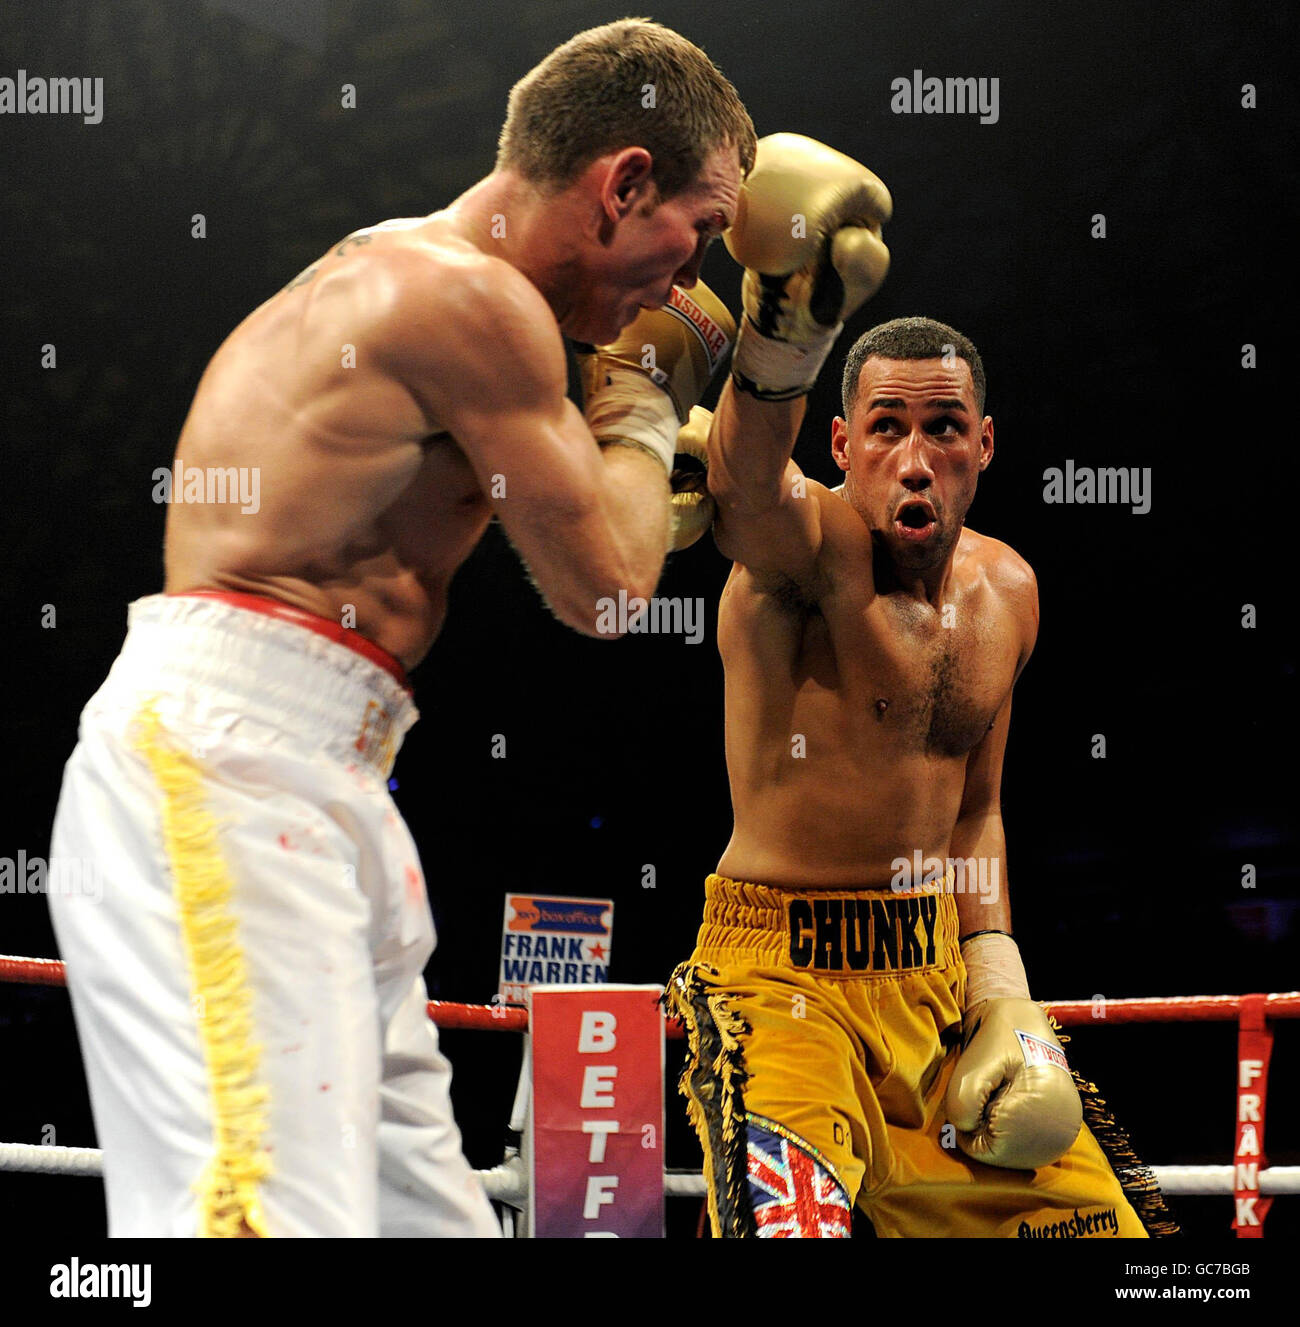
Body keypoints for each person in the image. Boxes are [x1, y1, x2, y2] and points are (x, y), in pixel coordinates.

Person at [47, 18, 754, 1237]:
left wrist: (643, 446)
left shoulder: (446, 291)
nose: (685, 285)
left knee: (426, 1218)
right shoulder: (467, 302)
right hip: (229, 758)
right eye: (695, 233)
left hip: (326, 768)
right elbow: (610, 589)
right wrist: (640, 410)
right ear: (622, 182)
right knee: (258, 1214)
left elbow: (626, 532)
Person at [665, 226, 1179, 1232]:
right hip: (779, 984)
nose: (913, 459)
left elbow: (975, 812)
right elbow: (747, 492)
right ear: (842, 445)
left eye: (942, 428)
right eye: (885, 427)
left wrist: (1000, 987)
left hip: (937, 983)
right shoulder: (805, 559)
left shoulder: (1010, 593)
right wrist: (786, 332)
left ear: (982, 445)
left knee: (1150, 1261)